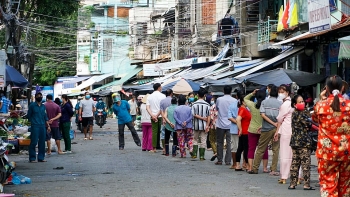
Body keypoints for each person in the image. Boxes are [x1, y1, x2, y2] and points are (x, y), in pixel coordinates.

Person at [313, 75, 350, 196]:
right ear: (342, 88)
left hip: (326, 152)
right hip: (346, 151)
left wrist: (321, 98)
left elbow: (314, 118)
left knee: (328, 185)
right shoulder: (348, 105)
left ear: (326, 88)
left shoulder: (320, 105)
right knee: (345, 186)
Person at [250, 85, 282, 174]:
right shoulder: (280, 104)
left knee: (261, 148)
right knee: (276, 150)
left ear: (270, 92)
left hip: (266, 128)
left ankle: (255, 168)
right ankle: (273, 169)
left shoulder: (264, 102)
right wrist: (275, 125)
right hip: (276, 129)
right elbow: (280, 118)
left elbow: (263, 115)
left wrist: (270, 123)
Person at [288, 94, 314, 190]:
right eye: (300, 102)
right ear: (295, 104)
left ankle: (292, 184)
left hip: (295, 142)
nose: (302, 103)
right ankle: (306, 184)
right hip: (303, 142)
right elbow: (309, 123)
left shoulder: (294, 113)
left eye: (303, 101)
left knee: (295, 163)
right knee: (305, 164)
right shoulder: (303, 113)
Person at [244, 89, 269, 173]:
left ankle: (250, 167)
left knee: (251, 148)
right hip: (263, 129)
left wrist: (252, 93)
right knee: (264, 149)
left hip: (252, 129)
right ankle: (265, 168)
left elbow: (245, 99)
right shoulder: (266, 106)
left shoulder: (252, 105)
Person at [275, 84, 294, 184]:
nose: (280, 94)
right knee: (294, 154)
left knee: (285, 154)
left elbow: (279, 118)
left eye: (282, 92)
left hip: (286, 131)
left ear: (287, 93)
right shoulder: (292, 103)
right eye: (280, 92)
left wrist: (277, 131)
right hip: (293, 131)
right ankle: (297, 176)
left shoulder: (285, 104)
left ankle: (284, 176)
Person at [215, 85, 237, 165]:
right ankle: (228, 160)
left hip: (220, 124)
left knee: (219, 142)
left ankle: (219, 160)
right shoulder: (235, 100)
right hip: (231, 124)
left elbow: (217, 109)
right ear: (231, 91)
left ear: (223, 91)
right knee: (229, 143)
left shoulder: (219, 99)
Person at [27, 92, 51, 162]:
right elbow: (29, 115)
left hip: (42, 126)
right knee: (34, 142)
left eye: (40, 96)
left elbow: (45, 116)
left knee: (42, 142)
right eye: (38, 96)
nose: (39, 97)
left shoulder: (43, 106)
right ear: (35, 97)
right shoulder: (32, 106)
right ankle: (32, 158)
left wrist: (48, 126)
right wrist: (33, 121)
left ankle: (41, 158)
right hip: (35, 126)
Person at [191, 89, 211, 160]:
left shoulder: (194, 104)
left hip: (195, 125)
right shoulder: (207, 105)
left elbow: (193, 114)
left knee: (195, 139)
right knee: (203, 140)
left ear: (198, 95)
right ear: (204, 96)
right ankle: (202, 156)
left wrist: (201, 118)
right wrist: (207, 125)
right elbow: (209, 116)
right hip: (204, 125)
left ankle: (194, 154)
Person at [146, 83, 166, 153]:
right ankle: (164, 148)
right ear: (159, 87)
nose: (161, 88)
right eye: (161, 87)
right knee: (163, 132)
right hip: (161, 116)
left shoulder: (149, 97)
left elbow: (147, 108)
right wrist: (157, 115)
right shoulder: (163, 96)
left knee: (154, 131)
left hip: (153, 116)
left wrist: (153, 115)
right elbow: (162, 108)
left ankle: (154, 148)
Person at [235, 95, 251, 171]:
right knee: (246, 148)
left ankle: (238, 164)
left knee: (241, 148)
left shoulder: (243, 109)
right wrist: (240, 129)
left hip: (244, 131)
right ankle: (247, 165)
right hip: (245, 131)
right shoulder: (243, 110)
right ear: (242, 102)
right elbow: (238, 119)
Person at [160, 89, 174, 155]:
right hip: (172, 120)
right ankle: (175, 150)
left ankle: (164, 149)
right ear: (171, 93)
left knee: (163, 135)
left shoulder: (162, 101)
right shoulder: (173, 100)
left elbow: (161, 111)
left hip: (165, 120)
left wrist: (163, 119)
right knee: (174, 135)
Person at [228, 91, 239, 168]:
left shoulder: (232, 105)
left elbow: (229, 117)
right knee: (245, 147)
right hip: (245, 129)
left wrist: (237, 122)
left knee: (234, 147)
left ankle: (235, 164)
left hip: (234, 128)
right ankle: (245, 164)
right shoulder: (248, 105)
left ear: (236, 96)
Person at [208, 97, 218, 161]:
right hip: (220, 126)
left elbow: (211, 117)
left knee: (212, 140)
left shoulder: (212, 107)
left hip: (212, 126)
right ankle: (218, 152)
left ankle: (215, 152)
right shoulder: (222, 108)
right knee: (220, 141)